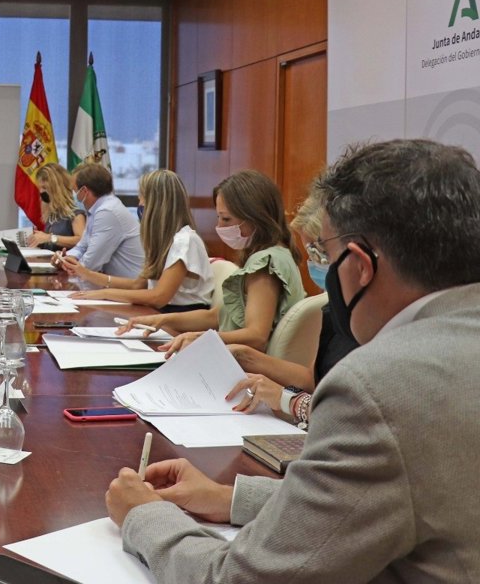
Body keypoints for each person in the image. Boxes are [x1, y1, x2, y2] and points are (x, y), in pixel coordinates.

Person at [105, 138, 480, 582]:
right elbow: (382, 498)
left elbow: (239, 578)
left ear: (360, 266)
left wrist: (144, 516)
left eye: (325, 256)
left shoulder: (379, 387)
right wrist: (229, 498)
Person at [118, 169, 304, 355]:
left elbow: (256, 336)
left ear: (255, 216)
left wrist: (198, 337)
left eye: (226, 219)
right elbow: (216, 316)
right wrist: (162, 320)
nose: (219, 226)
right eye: (218, 217)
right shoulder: (275, 254)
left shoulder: (264, 264)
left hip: (246, 364)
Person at [223, 193, 360, 419]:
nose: (313, 263)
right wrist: (246, 357)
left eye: (319, 254)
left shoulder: (373, 318)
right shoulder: (337, 306)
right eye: (310, 254)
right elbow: (315, 379)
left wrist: (288, 399)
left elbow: (353, 413)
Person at [70, 169, 213, 312]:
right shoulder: (163, 241)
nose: (140, 204)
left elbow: (159, 297)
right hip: (161, 312)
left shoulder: (185, 241)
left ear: (157, 204)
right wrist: (87, 274)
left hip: (180, 315)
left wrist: (105, 294)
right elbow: (137, 285)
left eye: (142, 198)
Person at [57, 163, 145, 281]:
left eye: (74, 190)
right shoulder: (96, 209)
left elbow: (90, 264)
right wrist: (64, 258)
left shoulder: (108, 212)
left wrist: (66, 264)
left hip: (130, 288)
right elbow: (82, 247)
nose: (73, 195)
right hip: (111, 284)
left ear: (84, 191)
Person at [26, 163, 86, 250]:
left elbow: (81, 240)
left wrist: (49, 238)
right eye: (40, 188)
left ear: (56, 188)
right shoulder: (52, 215)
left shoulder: (76, 214)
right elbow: (52, 245)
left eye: (45, 187)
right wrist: (38, 239)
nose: (41, 192)